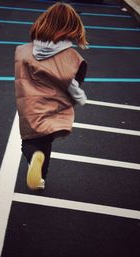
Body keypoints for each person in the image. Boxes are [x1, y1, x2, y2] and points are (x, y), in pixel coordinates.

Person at [14, 2, 88, 190]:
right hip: (55, 108)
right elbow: (75, 84)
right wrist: (79, 97)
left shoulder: (23, 51)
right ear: (73, 27)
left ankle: (36, 164)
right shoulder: (74, 59)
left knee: (30, 143)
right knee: (45, 141)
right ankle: (40, 178)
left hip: (30, 106)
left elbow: (21, 76)